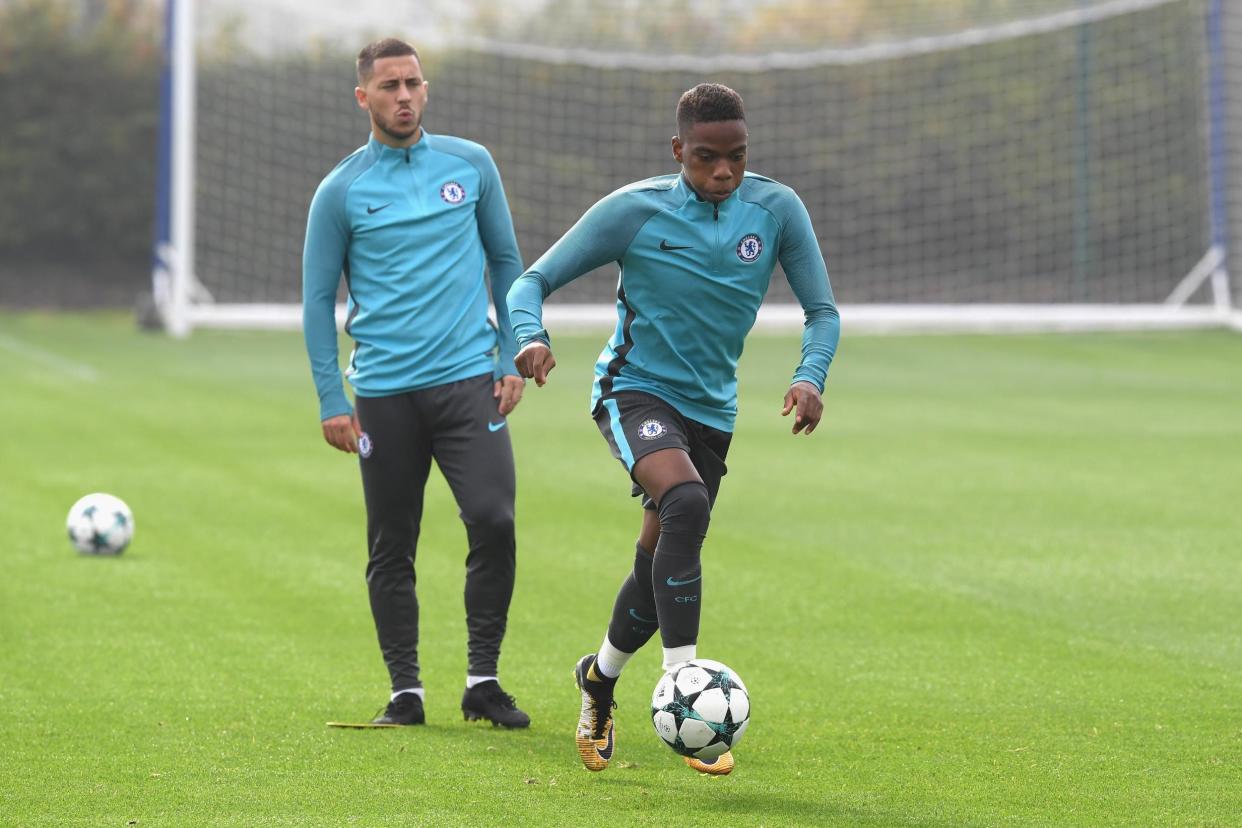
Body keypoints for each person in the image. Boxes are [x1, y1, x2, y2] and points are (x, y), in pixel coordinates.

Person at [507, 83, 840, 772]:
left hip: (711, 412)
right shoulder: (636, 211)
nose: (723, 172)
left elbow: (823, 311)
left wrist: (811, 376)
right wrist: (527, 336)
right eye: (706, 158)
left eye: (737, 157)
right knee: (684, 504)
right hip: (633, 391)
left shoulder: (776, 210)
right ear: (676, 151)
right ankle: (686, 685)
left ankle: (597, 680)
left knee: (658, 563)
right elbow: (530, 281)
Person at [302, 38, 529, 729]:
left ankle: (483, 682)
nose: (404, 95)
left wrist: (511, 351)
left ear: (425, 91)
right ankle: (406, 692)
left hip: (469, 384)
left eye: (414, 83)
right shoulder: (341, 190)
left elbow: (506, 261)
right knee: (392, 543)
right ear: (363, 98)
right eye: (390, 85)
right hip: (385, 396)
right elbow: (316, 302)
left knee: (494, 520)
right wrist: (331, 400)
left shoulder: (471, 165)